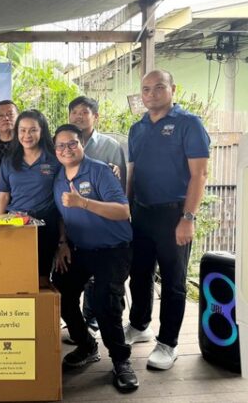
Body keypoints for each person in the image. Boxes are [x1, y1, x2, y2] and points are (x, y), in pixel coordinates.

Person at [125, 70, 210, 370]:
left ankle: (168, 343)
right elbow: (133, 173)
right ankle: (139, 325)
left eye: (159, 87)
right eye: (146, 89)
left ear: (173, 89)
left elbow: (200, 174)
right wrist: (126, 210)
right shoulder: (137, 128)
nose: (151, 94)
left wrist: (188, 217)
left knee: (173, 281)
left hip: (174, 214)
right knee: (139, 273)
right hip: (141, 212)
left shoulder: (189, 123)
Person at [52, 124, 137, 392]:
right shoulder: (58, 177)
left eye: (72, 143)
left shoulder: (99, 170)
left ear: (82, 145)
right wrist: (63, 243)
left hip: (113, 249)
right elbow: (62, 216)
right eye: (61, 145)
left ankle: (121, 361)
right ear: (55, 151)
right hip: (80, 250)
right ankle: (87, 345)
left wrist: (84, 203)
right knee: (61, 292)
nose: (67, 149)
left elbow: (123, 211)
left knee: (104, 302)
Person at [69, 95, 128, 335]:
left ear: (96, 116)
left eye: (84, 112)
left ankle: (97, 322)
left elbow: (121, 186)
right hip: (76, 221)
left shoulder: (110, 146)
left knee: (105, 280)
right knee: (80, 275)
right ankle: (86, 322)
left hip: (104, 221)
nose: (78, 117)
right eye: (74, 112)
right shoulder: (64, 145)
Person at [0, 109, 60, 282]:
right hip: (16, 225)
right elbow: (3, 196)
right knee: (16, 276)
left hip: (46, 225)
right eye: (22, 130)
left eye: (33, 130)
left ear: (42, 131)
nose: (27, 135)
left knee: (41, 279)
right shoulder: (9, 160)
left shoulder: (54, 159)